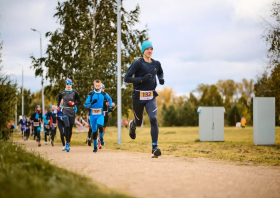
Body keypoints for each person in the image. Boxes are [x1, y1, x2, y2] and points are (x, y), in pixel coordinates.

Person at [124, 40, 165, 158]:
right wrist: (141, 79)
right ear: (143, 51)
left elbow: (160, 72)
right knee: (139, 121)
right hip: (138, 96)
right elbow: (126, 78)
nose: (150, 51)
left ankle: (154, 148)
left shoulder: (156, 63)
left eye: (151, 49)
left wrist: (161, 78)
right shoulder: (138, 63)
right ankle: (133, 125)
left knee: (153, 119)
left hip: (151, 95)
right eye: (147, 49)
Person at [84, 79, 112, 153]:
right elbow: (86, 104)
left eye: (98, 86)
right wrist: (91, 103)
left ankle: (101, 139)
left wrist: (110, 107)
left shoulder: (103, 94)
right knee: (94, 131)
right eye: (96, 86)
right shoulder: (91, 94)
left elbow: (109, 99)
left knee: (100, 126)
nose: (97, 87)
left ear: (100, 85)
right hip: (92, 115)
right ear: (94, 85)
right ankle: (95, 147)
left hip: (100, 114)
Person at [57, 78, 81, 152]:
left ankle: (67, 144)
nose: (68, 85)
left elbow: (80, 102)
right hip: (65, 111)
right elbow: (59, 99)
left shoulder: (74, 93)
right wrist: (58, 106)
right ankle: (66, 144)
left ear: (71, 85)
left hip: (72, 112)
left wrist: (74, 103)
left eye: (70, 84)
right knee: (66, 125)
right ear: (65, 85)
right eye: (67, 84)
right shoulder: (62, 93)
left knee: (70, 128)